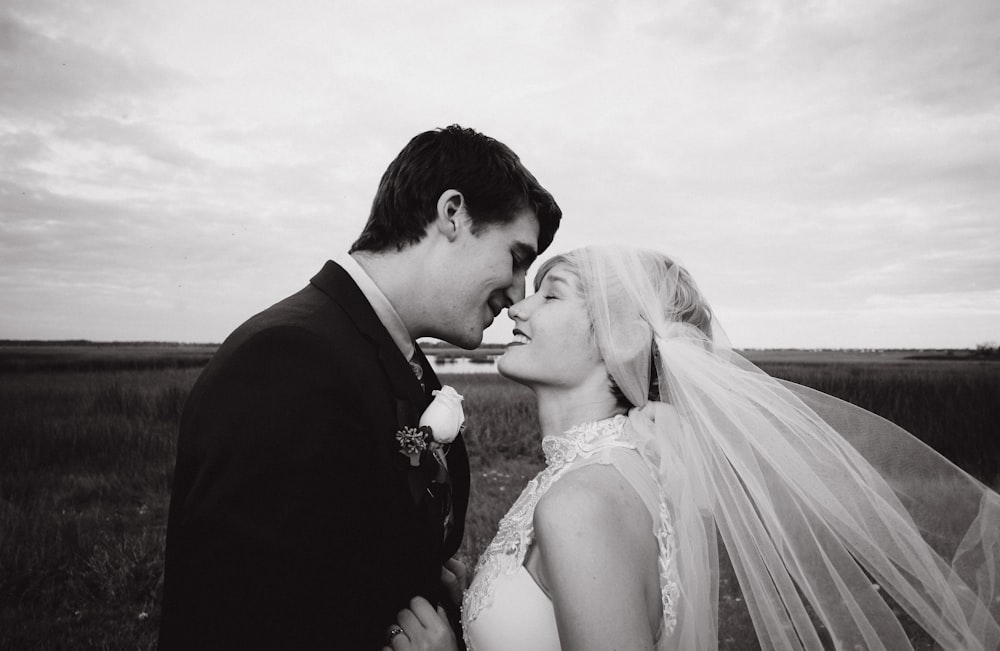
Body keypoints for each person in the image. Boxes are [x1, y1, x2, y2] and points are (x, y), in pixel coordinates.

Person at [390, 246, 1000, 651]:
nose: (516, 307)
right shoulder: (612, 469)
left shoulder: (583, 500)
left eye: (553, 296)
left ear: (624, 341)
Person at [158, 125, 562, 650]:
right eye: (516, 258)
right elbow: (243, 618)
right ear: (453, 214)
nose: (516, 295)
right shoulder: (287, 360)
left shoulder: (396, 356)